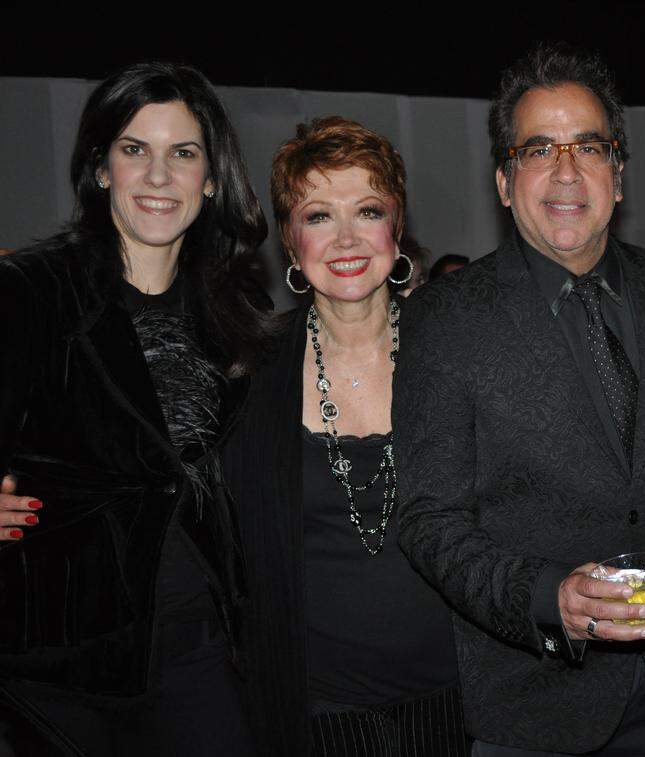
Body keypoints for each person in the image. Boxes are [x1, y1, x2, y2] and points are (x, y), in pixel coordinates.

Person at [392, 44, 645, 755]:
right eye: (538, 150)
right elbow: (428, 517)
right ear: (504, 182)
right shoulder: (447, 317)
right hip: (530, 707)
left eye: (589, 146)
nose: (566, 170)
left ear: (618, 174)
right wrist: (545, 597)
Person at [0, 62, 268, 756]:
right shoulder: (32, 292)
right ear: (99, 168)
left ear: (211, 178)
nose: (157, 176)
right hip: (66, 667)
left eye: (182, 153)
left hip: (205, 648)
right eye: (133, 149)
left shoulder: (239, 314)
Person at [221, 116, 465, 757]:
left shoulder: (459, 353)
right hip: (314, 709)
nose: (347, 238)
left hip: (464, 700)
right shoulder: (248, 371)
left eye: (368, 209)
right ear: (290, 240)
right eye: (319, 216)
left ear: (397, 227)